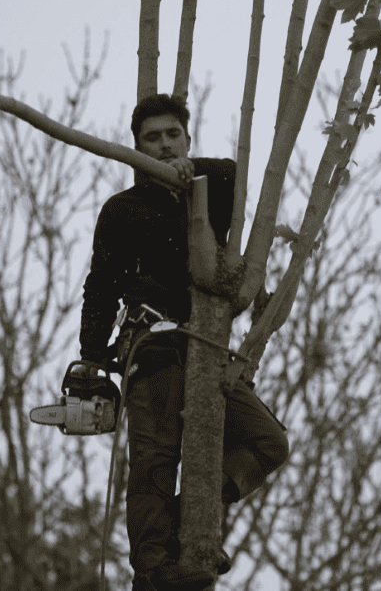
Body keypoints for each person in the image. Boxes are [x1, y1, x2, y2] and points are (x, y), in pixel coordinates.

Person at [80, 94, 289, 591]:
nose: (165, 144)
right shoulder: (123, 210)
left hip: (206, 349)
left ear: (188, 140)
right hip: (151, 344)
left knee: (268, 441)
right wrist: (91, 356)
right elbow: (100, 285)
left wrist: (190, 173)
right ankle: (153, 567)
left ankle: (179, 523)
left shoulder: (211, 192)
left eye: (173, 134)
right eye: (152, 138)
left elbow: (235, 173)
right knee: (155, 458)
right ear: (137, 151)